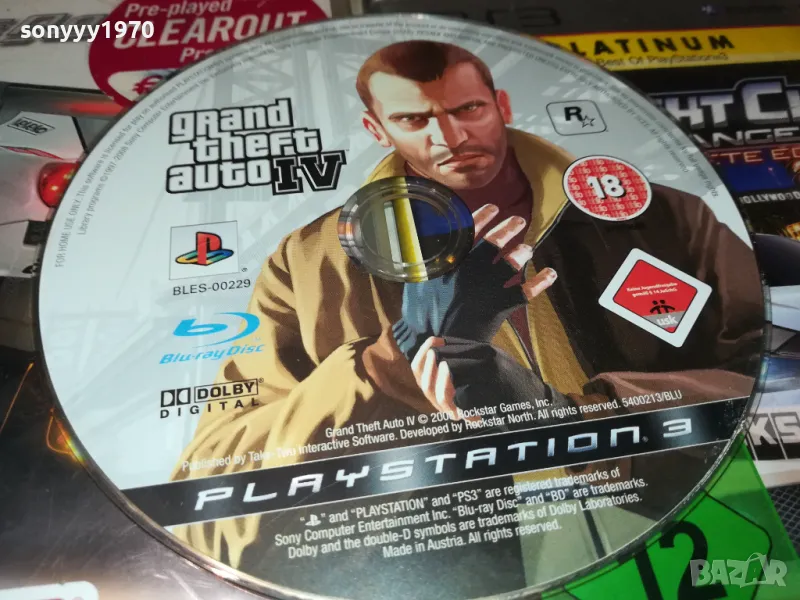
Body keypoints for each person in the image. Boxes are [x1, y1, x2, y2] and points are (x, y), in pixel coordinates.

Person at [169, 41, 763, 597]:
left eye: (467, 109)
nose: (449, 136)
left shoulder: (664, 217)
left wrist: (569, 421)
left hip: (693, 555)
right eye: (414, 119)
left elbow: (773, 381)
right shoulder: (309, 264)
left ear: (501, 105)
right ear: (377, 129)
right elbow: (210, 512)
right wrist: (387, 367)